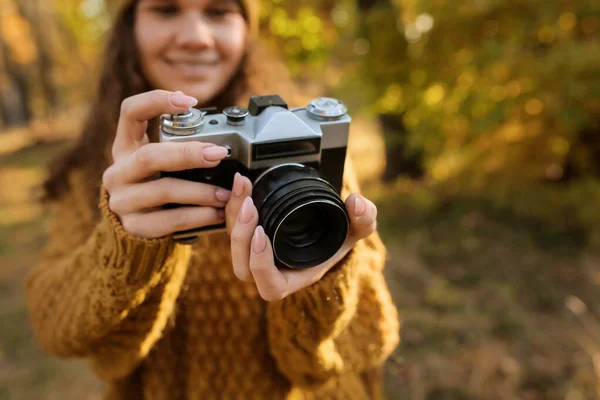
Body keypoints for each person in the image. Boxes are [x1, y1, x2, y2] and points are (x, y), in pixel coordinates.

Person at [25, 0, 400, 398]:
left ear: (247, 29)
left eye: (219, 11)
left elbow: (368, 337)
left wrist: (320, 277)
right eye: (166, 10)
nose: (195, 38)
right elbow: (55, 328)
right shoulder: (95, 170)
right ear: (129, 26)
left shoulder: (304, 140)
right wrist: (127, 248)